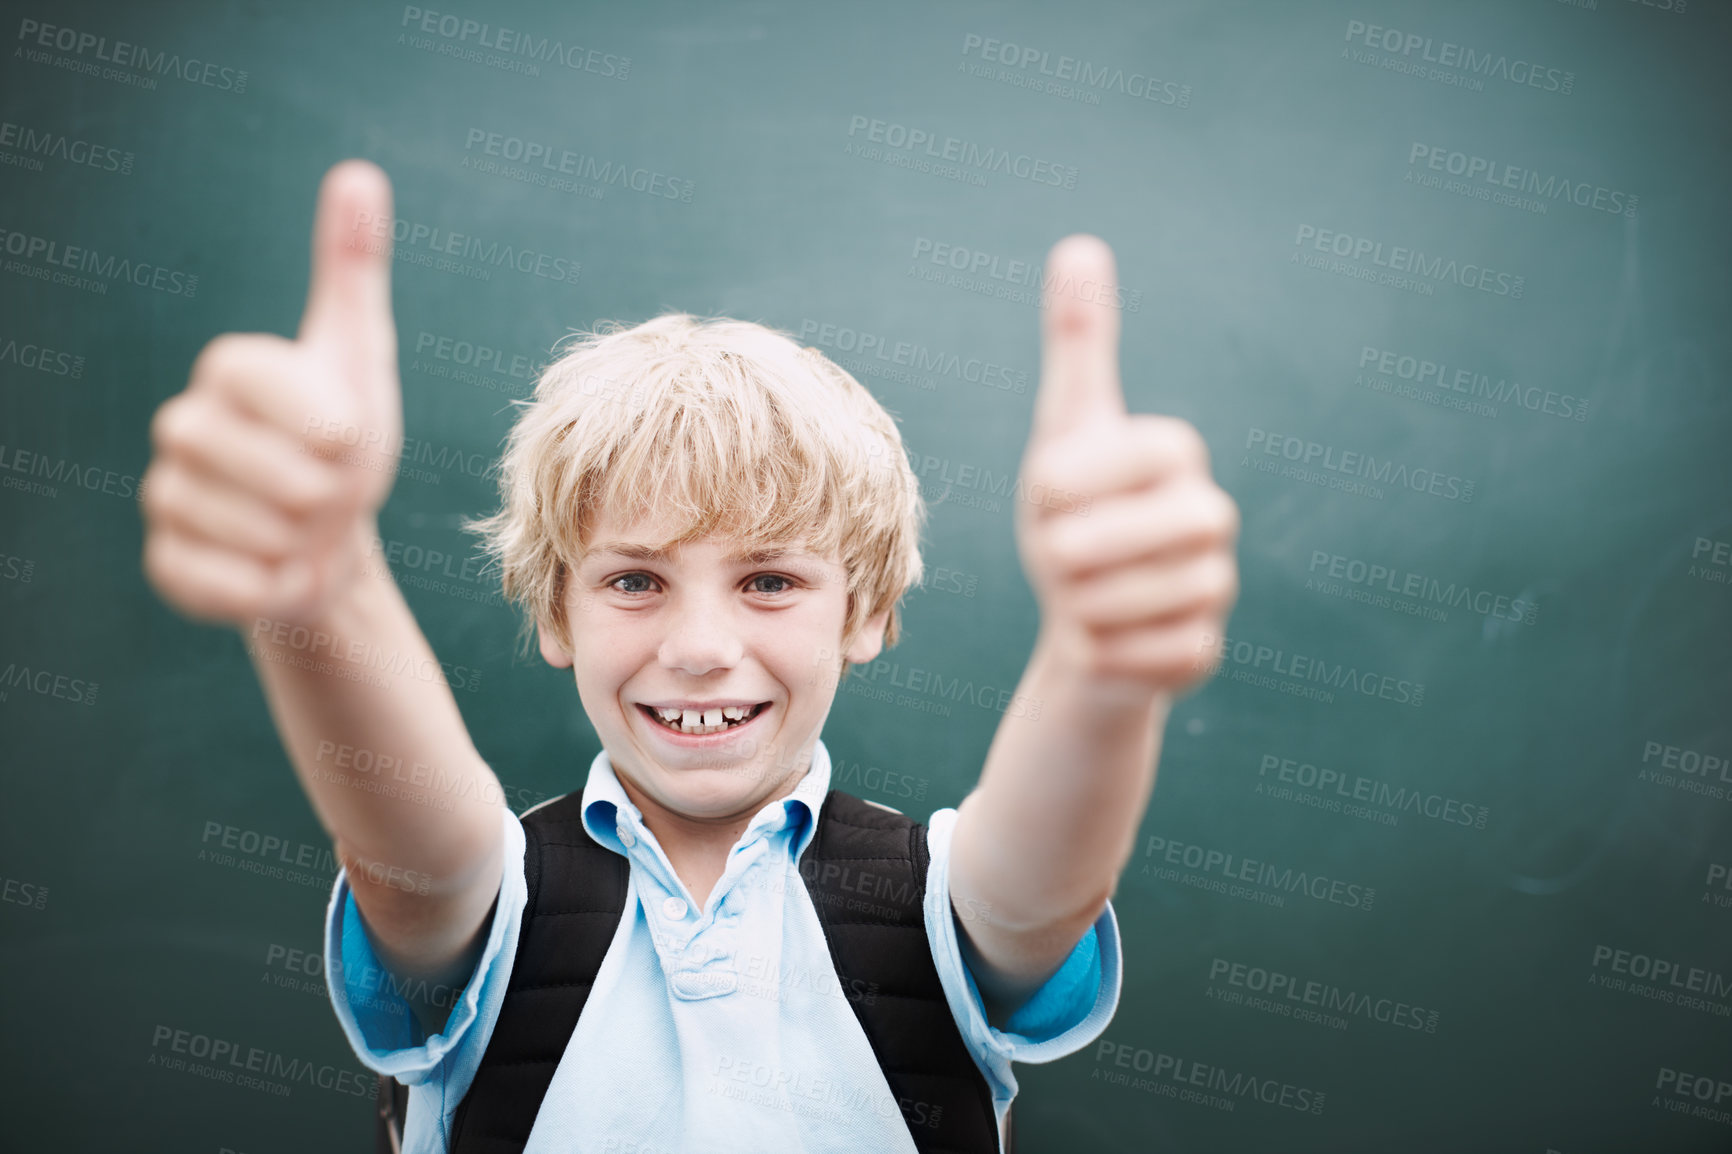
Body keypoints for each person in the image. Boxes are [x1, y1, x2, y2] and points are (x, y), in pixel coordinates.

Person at [139, 159, 1240, 1152]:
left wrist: (1101, 672)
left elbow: (1042, 881)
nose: (702, 647)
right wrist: (327, 592)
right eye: (633, 579)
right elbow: (412, 850)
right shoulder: (493, 896)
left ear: (865, 612)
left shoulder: (945, 901)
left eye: (769, 580)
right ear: (555, 616)